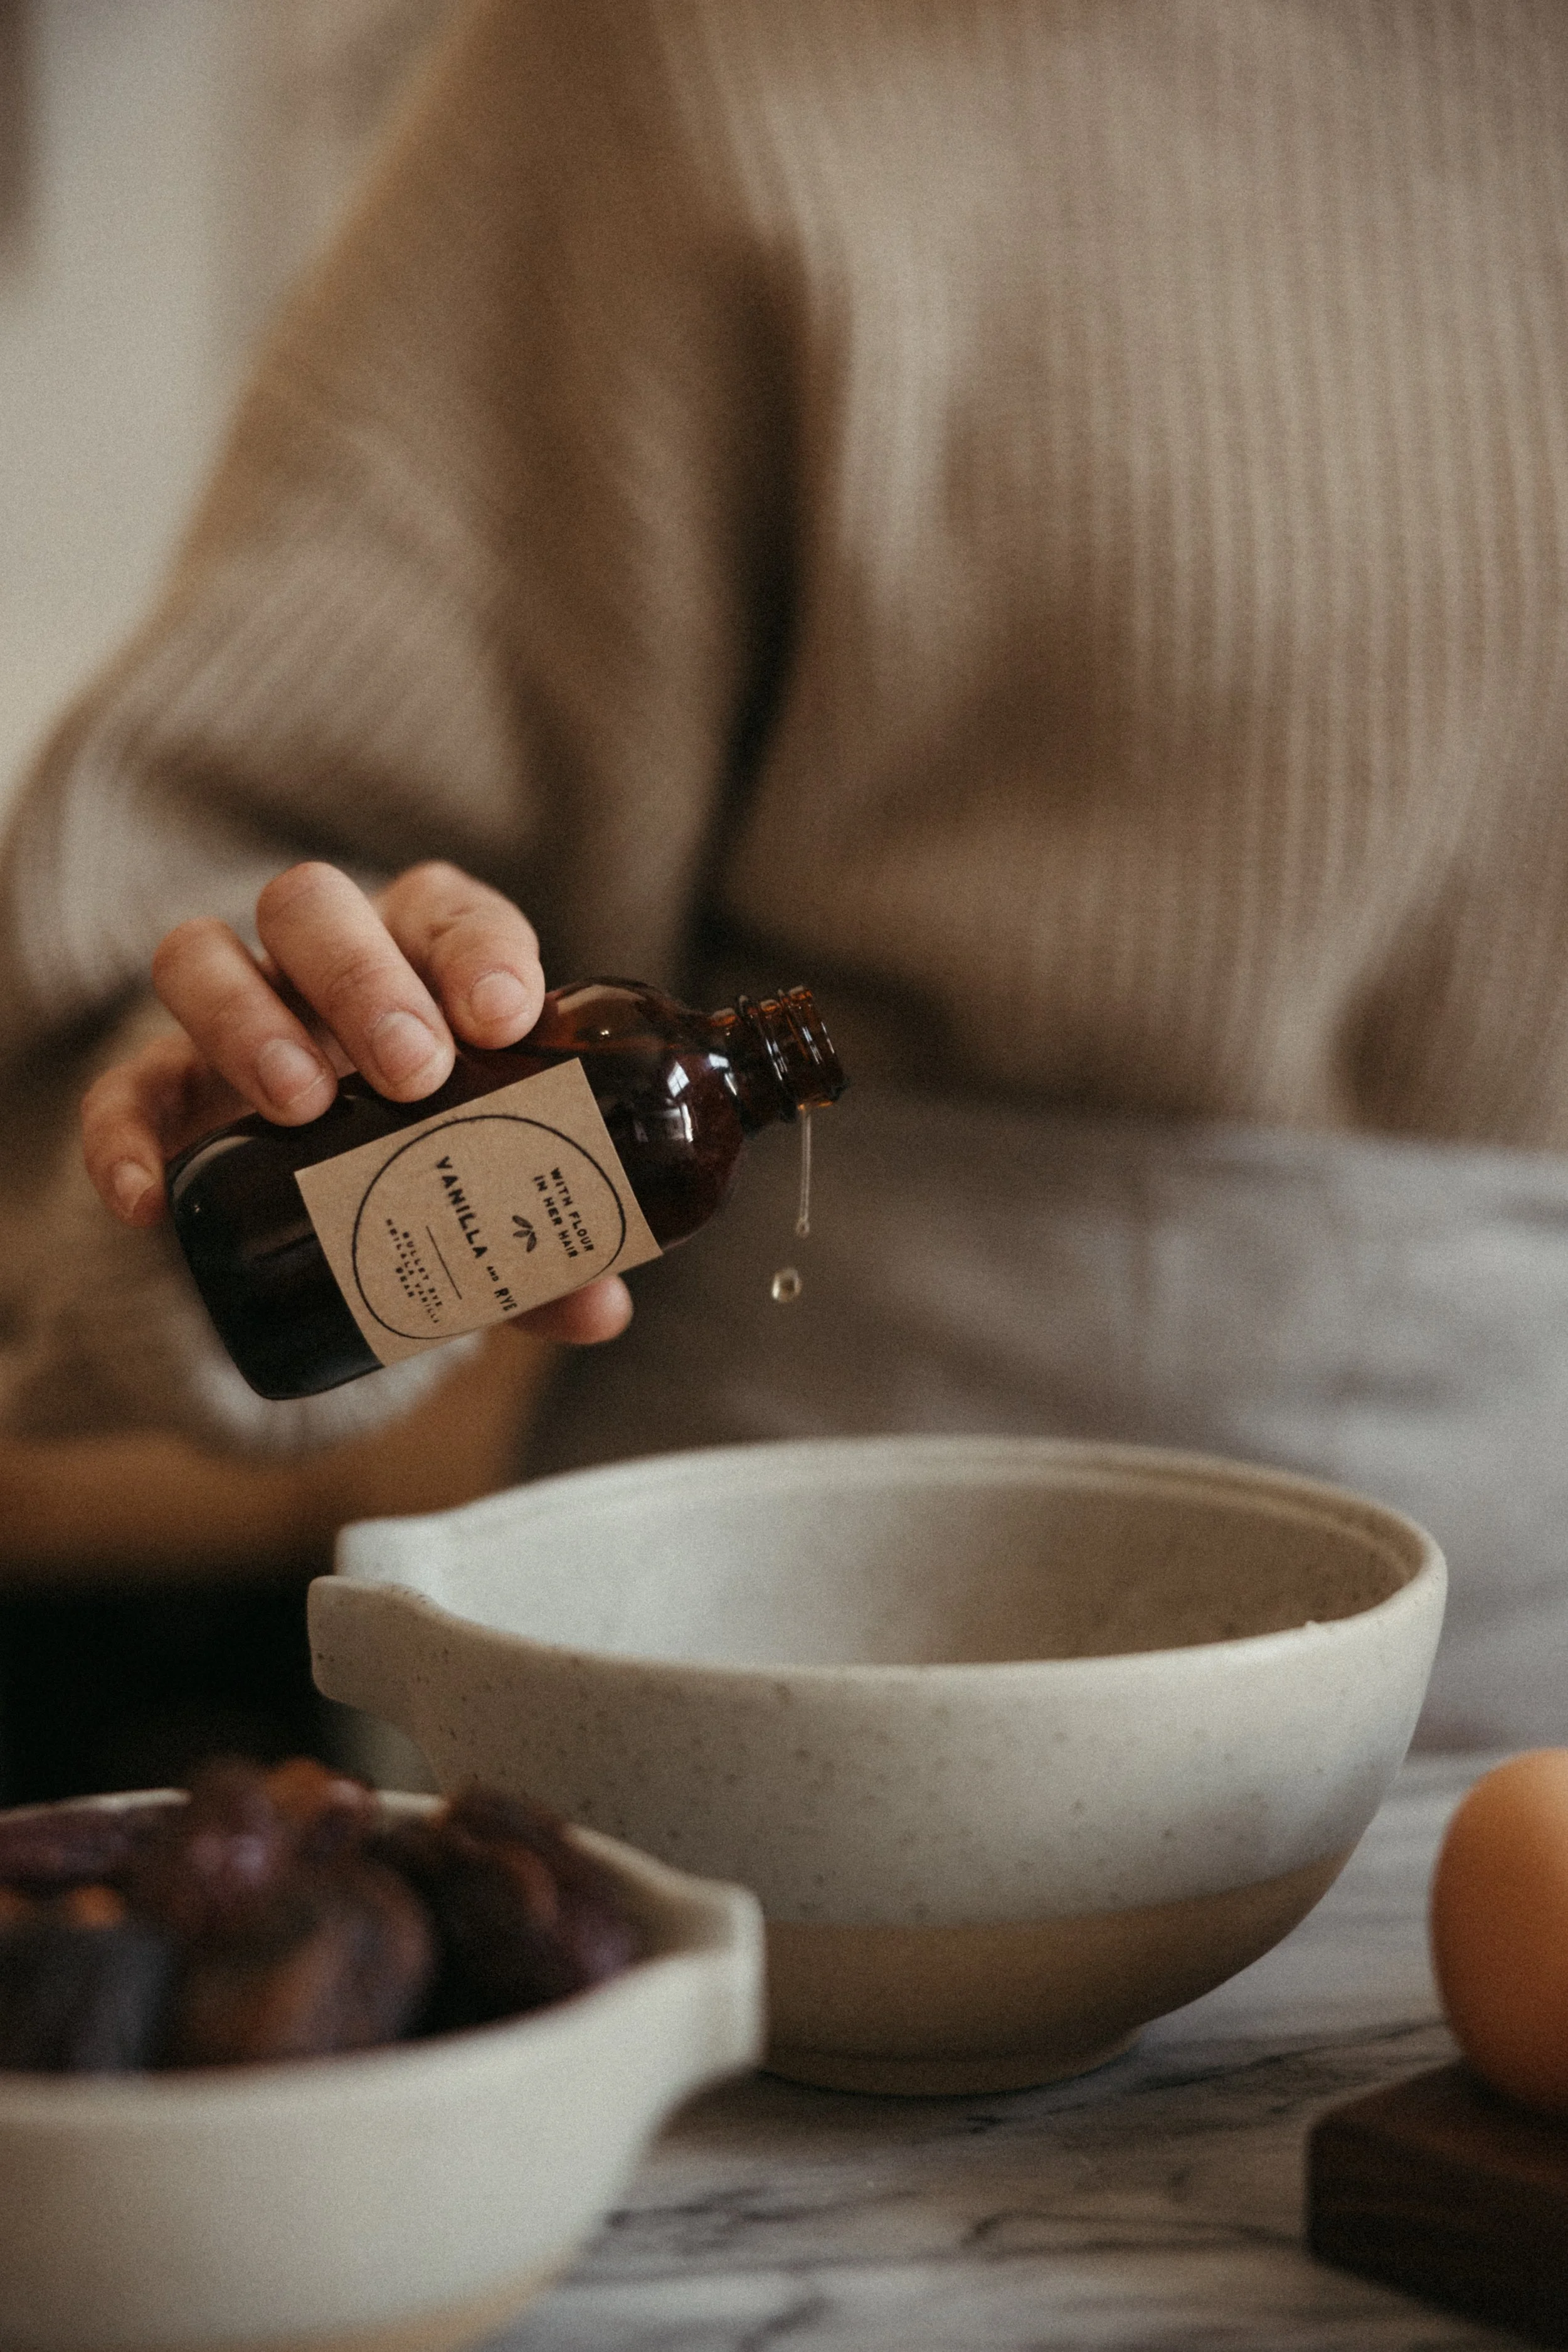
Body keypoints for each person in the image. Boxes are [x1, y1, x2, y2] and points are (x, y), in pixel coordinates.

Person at [3, 0, 1567, 1745]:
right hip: (769, 1705)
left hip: (1520, 1729)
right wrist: (297, 1074)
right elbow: (186, 926)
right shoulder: (694, 58)